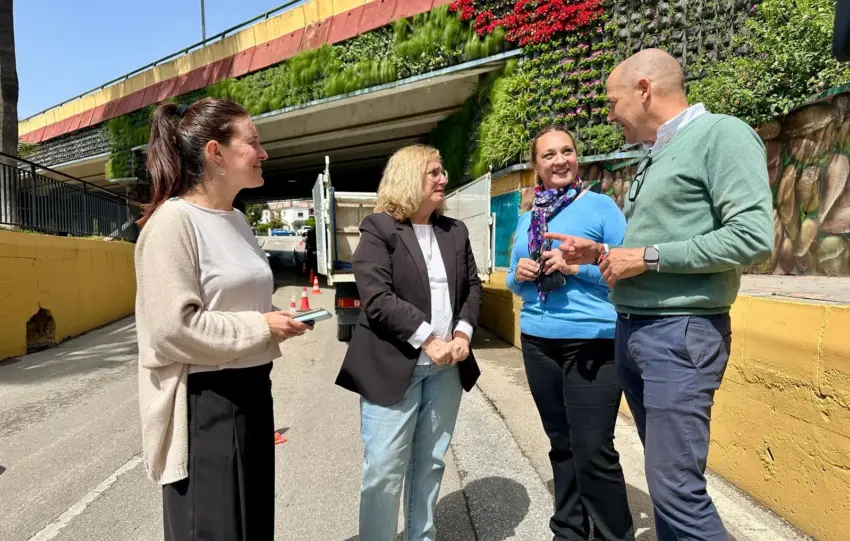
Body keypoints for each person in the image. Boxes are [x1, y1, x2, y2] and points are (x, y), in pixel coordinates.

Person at [547, 49, 774, 540]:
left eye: (612, 103)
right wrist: (603, 253)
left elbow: (753, 237)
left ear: (644, 90)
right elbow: (665, 239)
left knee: (675, 490)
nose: (610, 116)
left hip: (679, 333)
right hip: (637, 331)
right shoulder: (658, 151)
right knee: (666, 484)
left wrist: (646, 257)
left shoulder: (723, 135)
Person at [134, 97, 313, 541]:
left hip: (253, 392)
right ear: (215, 152)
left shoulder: (237, 220)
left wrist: (274, 318)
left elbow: (233, 301)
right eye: (253, 142)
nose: (263, 153)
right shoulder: (173, 223)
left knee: (253, 526)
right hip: (206, 405)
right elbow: (172, 329)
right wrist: (261, 327)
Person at [335, 144, 482, 541]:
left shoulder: (455, 231)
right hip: (394, 364)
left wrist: (463, 332)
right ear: (408, 177)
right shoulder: (379, 228)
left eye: (442, 171)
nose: (443, 178)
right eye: (434, 172)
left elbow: (472, 287)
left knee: (430, 463)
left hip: (446, 369)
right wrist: (429, 338)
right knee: (384, 469)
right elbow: (377, 298)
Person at [506, 126, 635, 541]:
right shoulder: (529, 217)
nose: (560, 160)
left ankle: (614, 535)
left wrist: (576, 268)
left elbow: (626, 272)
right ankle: (569, 531)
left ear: (577, 157)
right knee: (561, 443)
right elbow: (512, 278)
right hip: (538, 340)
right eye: (549, 155)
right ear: (536, 166)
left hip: (593, 340)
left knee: (593, 448)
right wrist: (521, 274)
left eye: (567, 151)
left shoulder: (601, 208)